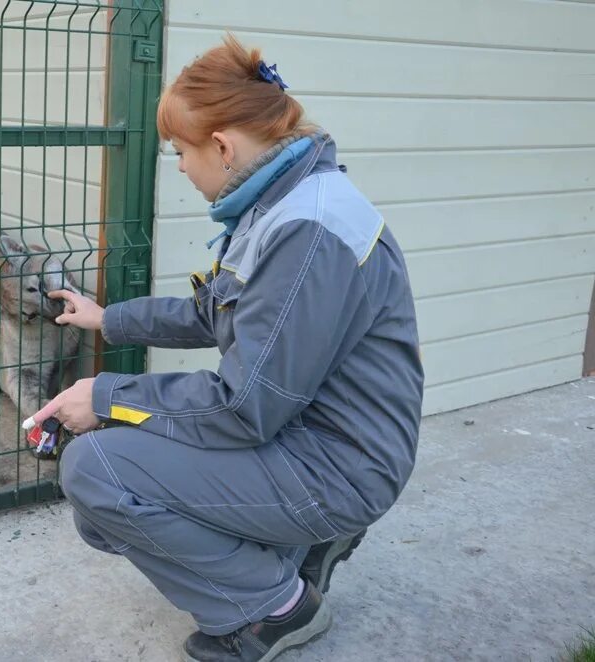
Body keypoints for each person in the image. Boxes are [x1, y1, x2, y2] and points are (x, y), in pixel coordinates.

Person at [27, 34, 424, 662]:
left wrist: (103, 395)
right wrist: (109, 319)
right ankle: (294, 550)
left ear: (221, 146)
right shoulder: (286, 202)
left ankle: (276, 609)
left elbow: (244, 406)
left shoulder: (304, 233)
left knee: (97, 469)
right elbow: (219, 313)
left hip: (340, 464)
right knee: (132, 456)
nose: (181, 167)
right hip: (324, 437)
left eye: (181, 151)